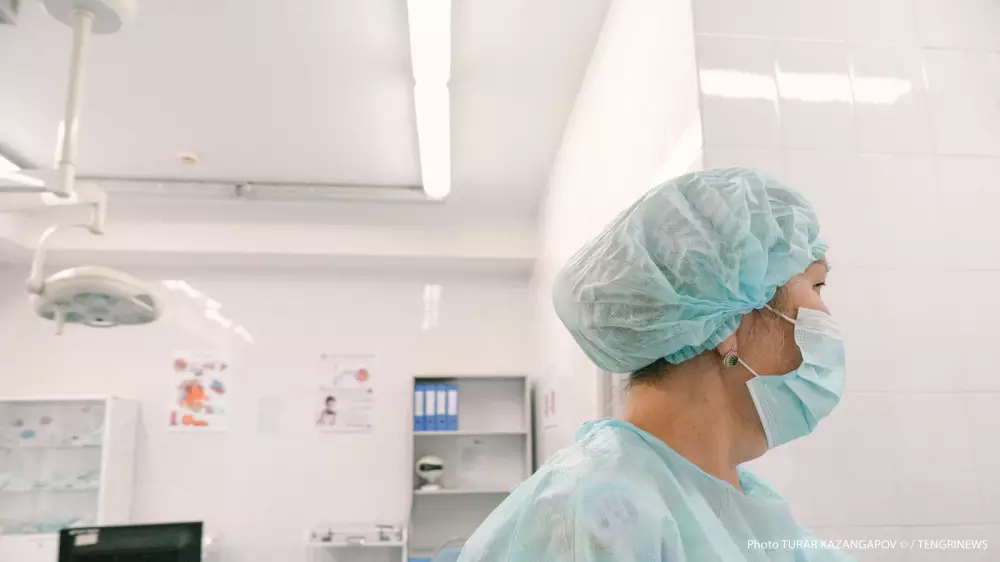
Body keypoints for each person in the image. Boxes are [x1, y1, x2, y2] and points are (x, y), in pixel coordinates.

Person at [459, 168, 851, 561]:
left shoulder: (731, 500)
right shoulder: (595, 519)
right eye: (816, 286)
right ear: (732, 325)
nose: (826, 313)